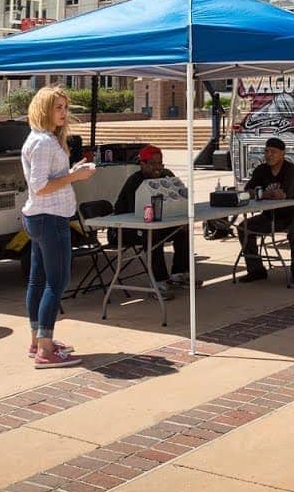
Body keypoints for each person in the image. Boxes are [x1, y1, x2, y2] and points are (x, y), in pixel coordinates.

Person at [20, 85, 97, 368]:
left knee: (38, 280)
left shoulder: (44, 139)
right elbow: (39, 186)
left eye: (65, 107)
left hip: (42, 216)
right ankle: (46, 350)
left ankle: (38, 340)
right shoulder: (42, 142)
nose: (64, 113)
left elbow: (45, 181)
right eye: (58, 107)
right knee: (57, 281)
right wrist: (75, 177)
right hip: (49, 217)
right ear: (44, 110)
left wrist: (71, 173)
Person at [113, 145, 191, 293]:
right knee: (152, 236)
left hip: (158, 223)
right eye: (153, 164)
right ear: (142, 164)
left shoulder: (166, 175)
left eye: (160, 163)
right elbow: (135, 212)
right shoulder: (134, 181)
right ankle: (159, 280)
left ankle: (179, 273)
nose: (157, 168)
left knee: (183, 230)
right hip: (127, 228)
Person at [238, 137, 294, 283]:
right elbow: (247, 191)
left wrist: (260, 194)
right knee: (243, 228)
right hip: (271, 216)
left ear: (282, 154)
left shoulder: (290, 169)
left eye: (273, 152)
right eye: (266, 151)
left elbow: (282, 195)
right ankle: (256, 270)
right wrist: (265, 194)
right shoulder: (261, 170)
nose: (269, 155)